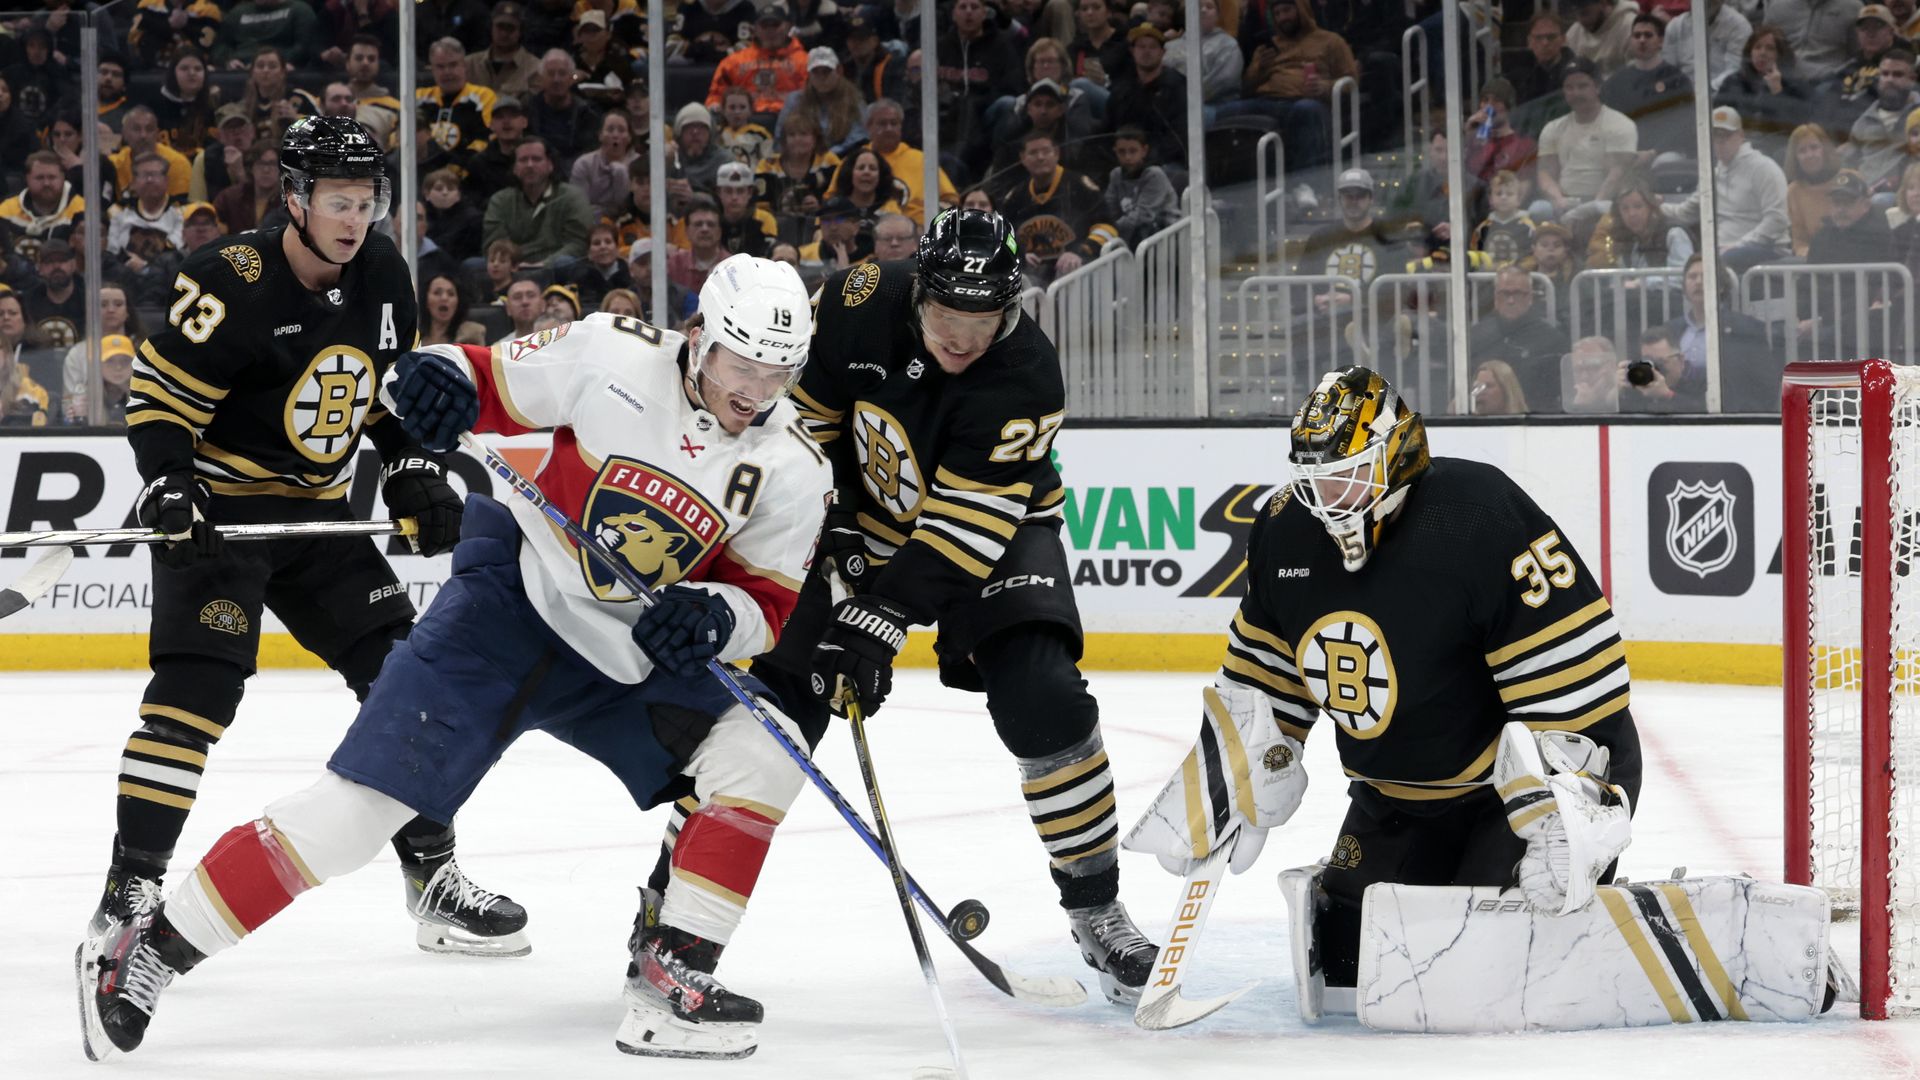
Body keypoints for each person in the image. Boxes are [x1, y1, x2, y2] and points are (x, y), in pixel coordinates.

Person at [80, 251, 831, 1062]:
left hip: (625, 659)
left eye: (777, 373)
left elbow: (771, 605)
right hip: (502, 612)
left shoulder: (796, 466)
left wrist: (718, 616)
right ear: (699, 338)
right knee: (357, 815)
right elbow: (472, 372)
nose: (754, 391)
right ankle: (154, 945)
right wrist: (437, 383)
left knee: (766, 750)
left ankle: (673, 972)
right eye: (742, 364)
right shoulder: (612, 352)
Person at [75, 116, 528, 984]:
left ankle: (431, 874)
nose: (355, 219)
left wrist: (408, 470)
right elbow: (159, 401)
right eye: (337, 201)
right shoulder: (228, 280)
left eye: (366, 201)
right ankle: (129, 890)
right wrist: (172, 480)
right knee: (194, 698)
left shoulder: (387, 273)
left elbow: (385, 400)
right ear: (295, 199)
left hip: (319, 519)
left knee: (411, 676)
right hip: (226, 522)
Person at [1120, 366, 1658, 1030]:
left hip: (1516, 799)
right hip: (1394, 799)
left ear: (1398, 453)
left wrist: (1571, 814)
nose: (1329, 498)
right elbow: (1263, 679)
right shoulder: (1285, 528)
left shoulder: (1476, 513)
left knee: (1485, 973)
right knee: (1348, 963)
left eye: (1347, 474)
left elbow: (1579, 683)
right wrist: (1233, 771)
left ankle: (1586, 877)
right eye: (1315, 478)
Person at [722, 208, 1159, 1006]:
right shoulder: (857, 300)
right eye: (946, 315)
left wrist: (879, 616)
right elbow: (804, 435)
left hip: (995, 530)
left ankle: (1098, 910)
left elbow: (966, 528)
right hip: (863, 519)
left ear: (1010, 308)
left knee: (1044, 696)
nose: (962, 337)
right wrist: (840, 528)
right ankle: (677, 917)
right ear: (918, 289)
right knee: (776, 707)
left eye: (982, 319)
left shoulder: (1026, 373)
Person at [1663, 105, 1791, 272]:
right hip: (1722, 253)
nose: (1720, 142)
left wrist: (1738, 246)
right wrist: (1652, 205)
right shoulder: (1713, 175)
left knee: (1717, 264)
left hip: (1766, 251)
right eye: (1715, 136)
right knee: (1692, 265)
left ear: (1741, 135)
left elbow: (1777, 220)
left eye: (1726, 136)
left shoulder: (1764, 168)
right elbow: (1685, 212)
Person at [1535, 59, 1637, 237]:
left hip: (1605, 200)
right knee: (1538, 210)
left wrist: (1591, 208)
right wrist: (1558, 200)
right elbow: (1545, 173)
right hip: (1565, 201)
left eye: (1583, 86)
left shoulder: (1620, 124)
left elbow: (1617, 173)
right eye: (1570, 87)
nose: (1576, 93)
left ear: (1597, 87)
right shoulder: (1553, 128)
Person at [482, 137, 595, 267]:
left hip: (554, 268)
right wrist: (513, 266)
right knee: (473, 265)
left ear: (550, 165)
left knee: (565, 262)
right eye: (523, 160)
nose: (530, 165)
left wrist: (544, 264)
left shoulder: (572, 197)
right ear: (514, 168)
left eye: (536, 159)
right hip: (511, 270)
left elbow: (578, 244)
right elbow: (494, 244)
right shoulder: (499, 200)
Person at [1469, 266, 1570, 411]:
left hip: (1534, 421)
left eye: (1517, 294)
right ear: (1496, 296)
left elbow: (1558, 392)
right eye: (1505, 294)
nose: (1510, 300)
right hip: (1486, 421)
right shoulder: (1476, 336)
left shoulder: (1551, 339)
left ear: (1529, 297)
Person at [1601, 16, 1696, 167]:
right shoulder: (1616, 82)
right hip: (1625, 154)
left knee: (1664, 163)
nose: (1642, 40)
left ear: (1661, 41)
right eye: (1637, 35)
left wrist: (1654, 152)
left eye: (1648, 35)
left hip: (1666, 153)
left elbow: (1684, 125)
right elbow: (1609, 124)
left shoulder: (1677, 80)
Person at [1104, 24, 1187, 169]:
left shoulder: (1176, 86)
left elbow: (1178, 136)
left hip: (1165, 162)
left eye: (1152, 47)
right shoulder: (1122, 88)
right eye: (1141, 46)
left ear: (1163, 52)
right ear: (1132, 51)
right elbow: (1107, 128)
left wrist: (1146, 161)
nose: (1146, 51)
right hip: (1125, 160)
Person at [707, 4, 807, 122]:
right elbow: (716, 96)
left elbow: (813, 98)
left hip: (791, 122)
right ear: (754, 29)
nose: (770, 31)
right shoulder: (733, 62)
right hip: (743, 123)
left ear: (788, 26)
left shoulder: (804, 61)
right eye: (764, 26)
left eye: (775, 25)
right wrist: (715, 105)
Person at [62, 282, 142, 423]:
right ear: (91, 312)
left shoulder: (143, 350)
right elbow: (70, 403)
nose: (111, 310)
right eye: (103, 304)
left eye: (118, 304)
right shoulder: (77, 354)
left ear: (128, 312)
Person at [1847, 45, 1920, 189]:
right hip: (1868, 195)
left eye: (1897, 74)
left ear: (1912, 79)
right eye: (1885, 74)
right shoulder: (1863, 122)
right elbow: (1851, 165)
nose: (1889, 79)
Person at [779, 46, 869, 158]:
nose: (821, 77)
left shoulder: (854, 98)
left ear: (839, 71)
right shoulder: (794, 100)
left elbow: (859, 137)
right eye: (815, 72)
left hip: (843, 159)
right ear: (809, 74)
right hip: (801, 160)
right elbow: (781, 137)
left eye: (826, 72)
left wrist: (829, 156)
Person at [0, 150, 86, 262]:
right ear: (27, 179)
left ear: (63, 177)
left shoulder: (82, 209)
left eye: (52, 177)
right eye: (40, 178)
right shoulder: (6, 209)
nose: (46, 183)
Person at [1104, 125, 1179, 247]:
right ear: (1115, 151)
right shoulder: (1115, 175)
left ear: (1144, 151)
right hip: (1132, 235)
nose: (1127, 157)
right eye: (1121, 152)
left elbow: (1143, 215)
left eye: (1133, 151)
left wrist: (1109, 230)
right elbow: (1108, 209)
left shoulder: (1154, 175)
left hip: (1165, 236)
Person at [1662, 0, 1752, 89]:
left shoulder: (1739, 26)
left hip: (1722, 92)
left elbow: (1734, 69)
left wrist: (1705, 89)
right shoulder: (1675, 26)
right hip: (1682, 93)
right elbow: (1669, 68)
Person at [1787, 123, 1844, 255]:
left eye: (1814, 147)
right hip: (1813, 259)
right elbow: (1799, 241)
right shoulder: (1793, 191)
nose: (1809, 155)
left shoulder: (1849, 178)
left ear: (1825, 149)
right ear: (1795, 157)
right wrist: (1812, 254)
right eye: (1802, 151)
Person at [1621, 322, 1706, 412]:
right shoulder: (1640, 383)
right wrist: (1619, 392)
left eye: (1661, 361)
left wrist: (1667, 395)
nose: (1655, 369)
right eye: (1648, 362)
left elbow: (1704, 413)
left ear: (1680, 360)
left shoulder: (1703, 380)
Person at [1567, 0, 1639, 76]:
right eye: (1576, 12)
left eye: (1585, 12)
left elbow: (1636, 76)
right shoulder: (1575, 32)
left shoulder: (1630, 27)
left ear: (1603, 3)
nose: (1581, 20)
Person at [418, 272, 488, 347]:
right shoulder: (413, 335)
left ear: (458, 302)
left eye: (451, 294)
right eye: (437, 293)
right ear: (425, 300)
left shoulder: (471, 333)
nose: (444, 298)